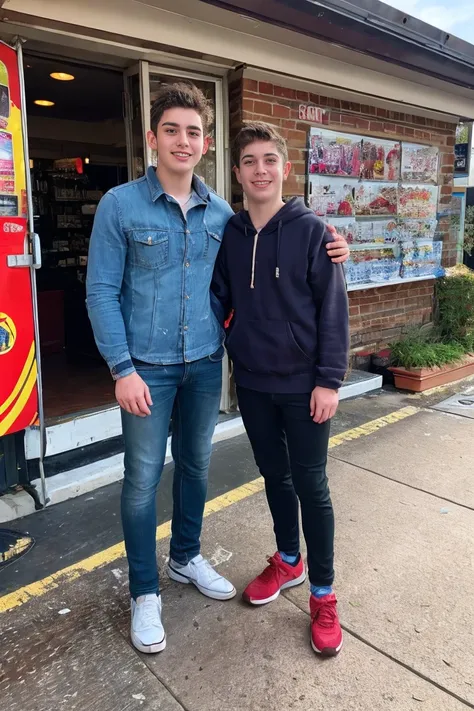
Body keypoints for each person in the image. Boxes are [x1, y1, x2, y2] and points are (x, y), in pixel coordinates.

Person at [86, 84, 350, 655]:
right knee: (140, 483)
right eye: (172, 130)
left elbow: (311, 302)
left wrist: (335, 247)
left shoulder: (230, 216)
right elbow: (102, 291)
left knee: (205, 470)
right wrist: (121, 367)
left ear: (206, 146)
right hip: (155, 372)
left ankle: (191, 559)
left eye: (194, 132)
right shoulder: (124, 206)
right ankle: (146, 591)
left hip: (214, 368)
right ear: (153, 138)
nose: (184, 141)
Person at [211, 122, 350, 657]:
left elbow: (331, 310)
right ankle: (288, 560)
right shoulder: (232, 232)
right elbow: (221, 293)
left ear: (284, 169)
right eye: (250, 161)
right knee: (274, 475)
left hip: (305, 386)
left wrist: (329, 380)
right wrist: (232, 333)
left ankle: (323, 592)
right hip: (252, 381)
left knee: (311, 484)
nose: (260, 170)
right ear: (239, 171)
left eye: (270, 160)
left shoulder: (314, 231)